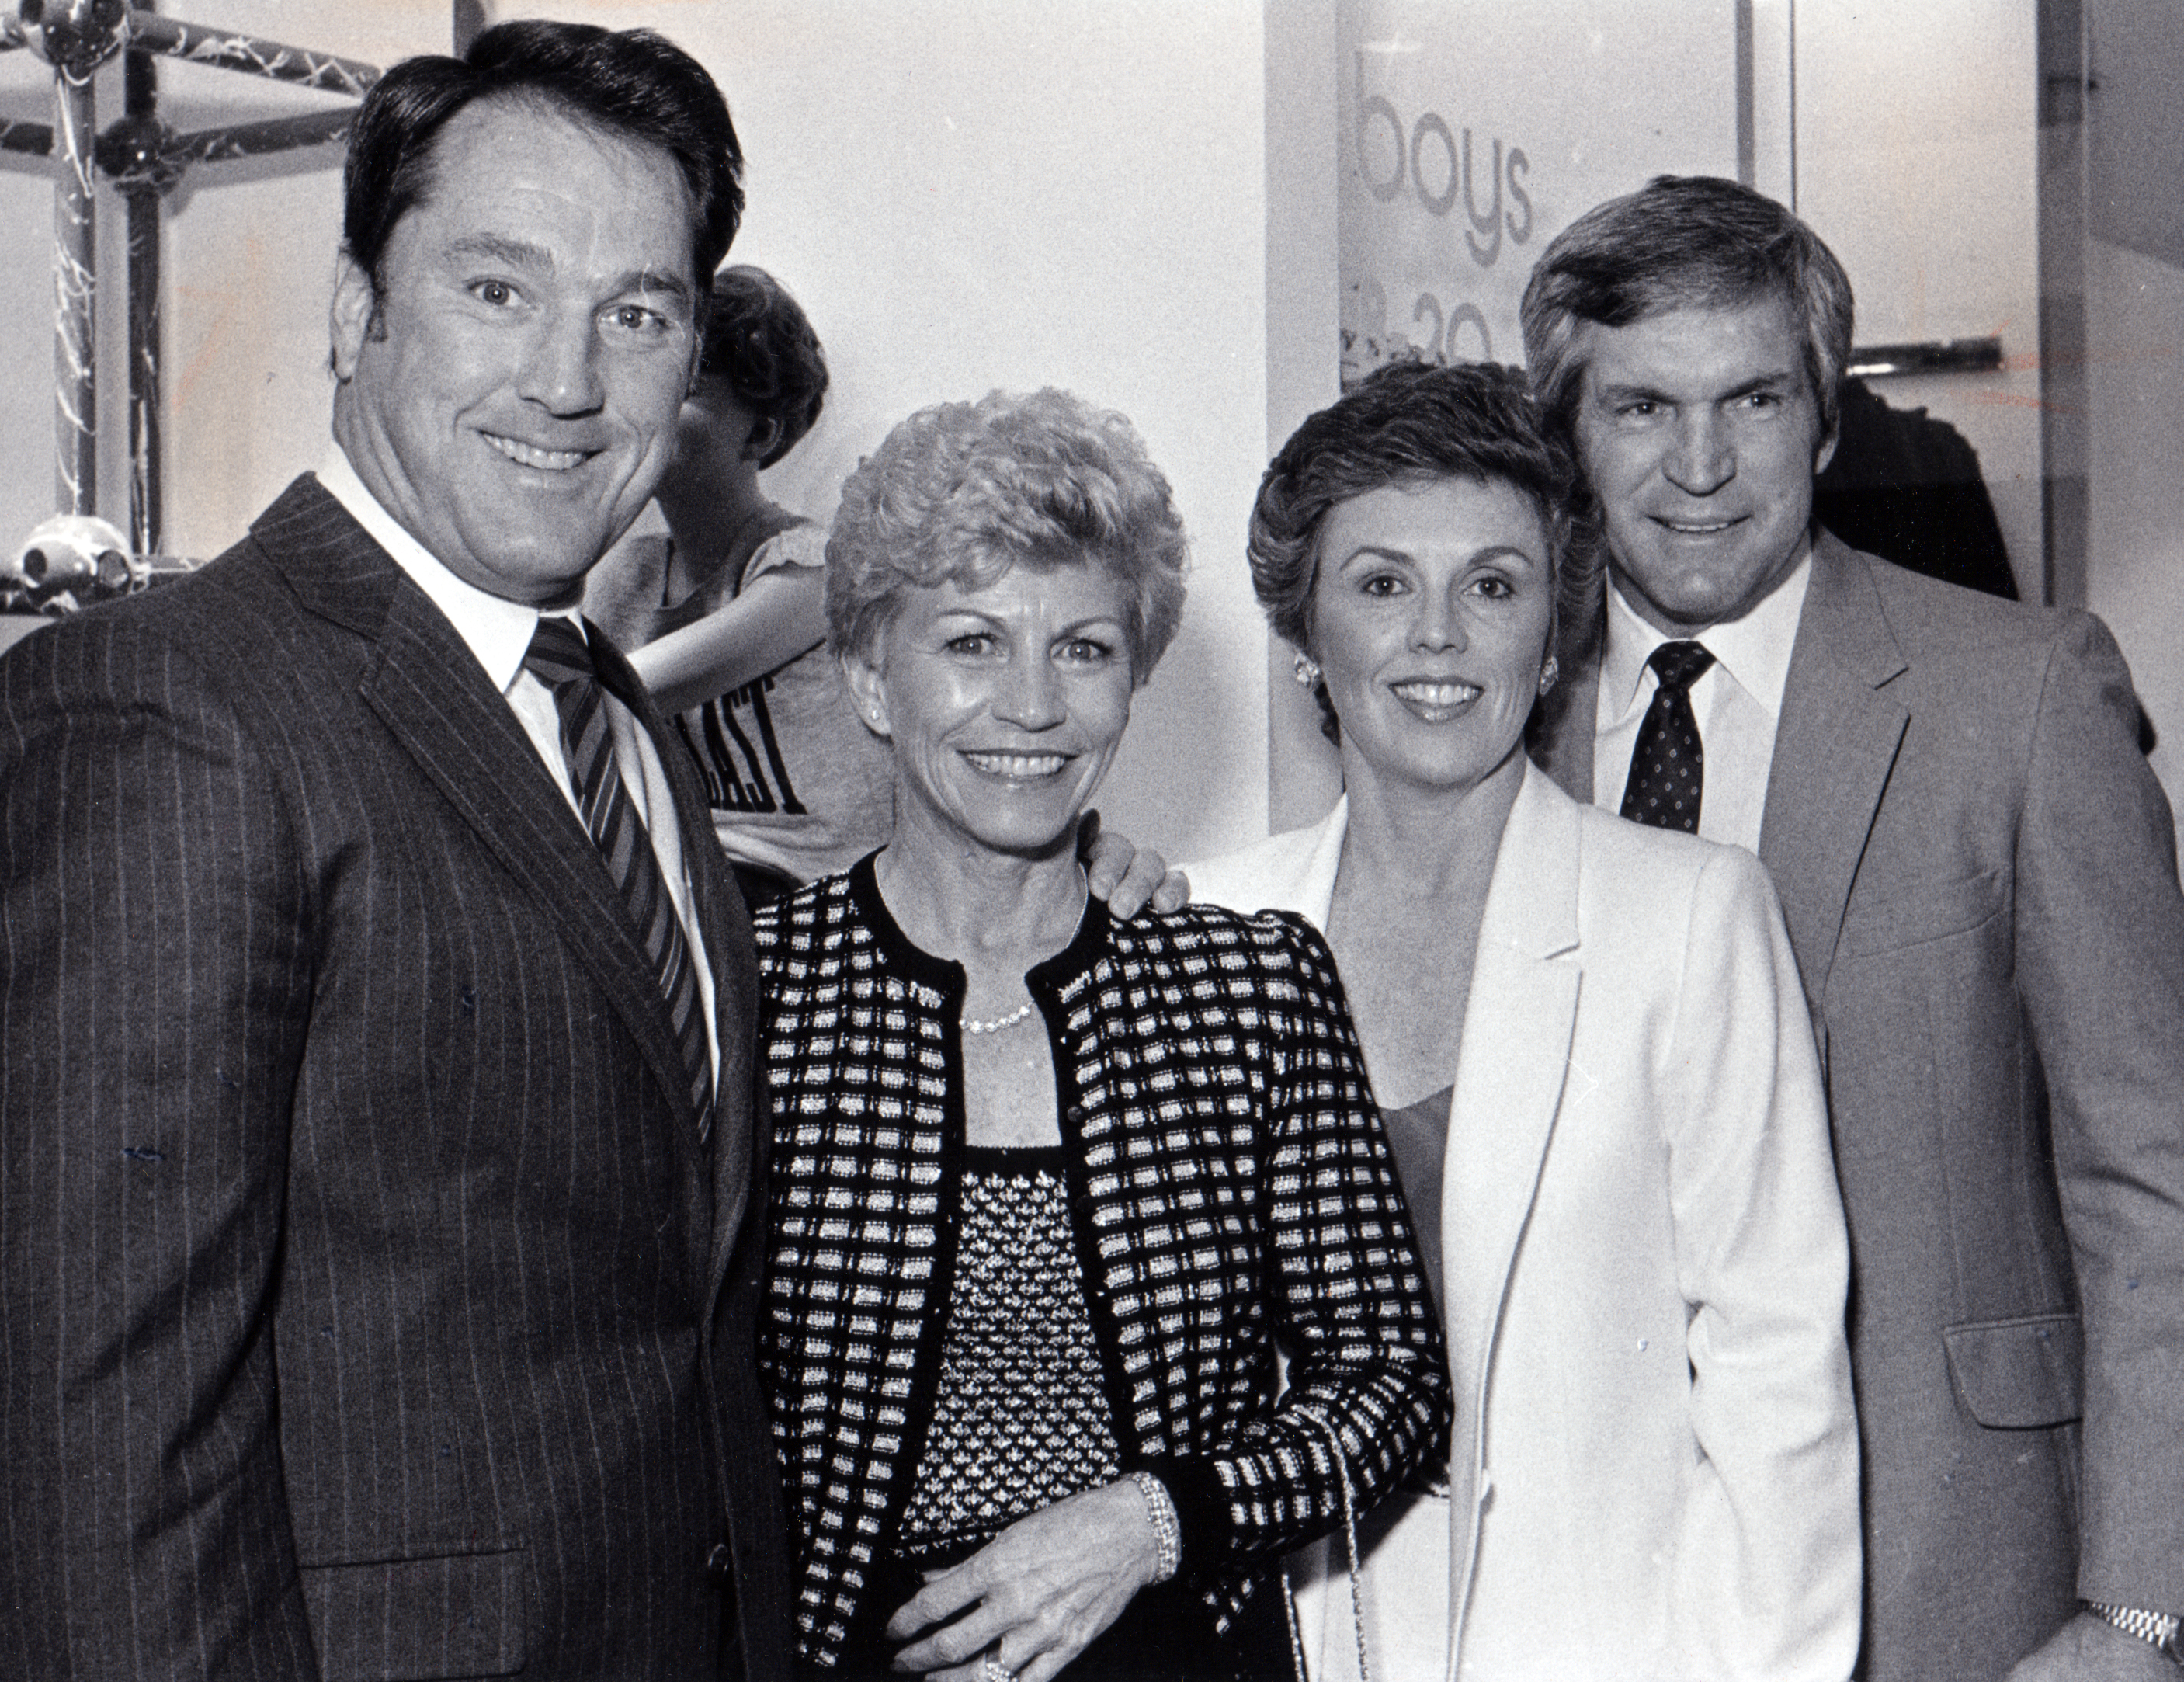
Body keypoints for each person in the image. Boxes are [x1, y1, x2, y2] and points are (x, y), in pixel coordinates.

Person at [0, 24, 799, 1679]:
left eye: (635, 315)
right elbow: (101, 1462)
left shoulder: (614, 724)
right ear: (358, 313)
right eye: (496, 291)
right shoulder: (167, 706)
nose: (569, 381)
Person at [1521, 175, 2184, 1682]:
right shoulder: (1494, 714)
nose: (1697, 466)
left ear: (1821, 421)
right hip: (1581, 1578)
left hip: (1949, 1576)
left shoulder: (2013, 697)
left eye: (1749, 401)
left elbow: (2152, 1178)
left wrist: (2139, 1611)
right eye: (1636, 409)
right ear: (1566, 436)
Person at [753, 388, 1450, 1681]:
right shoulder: (755, 996)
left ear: (1132, 677)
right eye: (970, 643)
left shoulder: (1245, 989)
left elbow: (1390, 1384)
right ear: (866, 676)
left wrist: (1145, 1523)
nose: (1031, 706)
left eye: (1081, 649)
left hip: (1179, 1651)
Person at [1186, 361, 1859, 1680]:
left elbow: (1775, 1378)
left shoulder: (1691, 916)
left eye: (1490, 586)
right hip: (1282, 1639)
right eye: (1380, 584)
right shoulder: (1198, 925)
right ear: (1306, 632)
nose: (1437, 634)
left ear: (1552, 633)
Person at [585, 265, 893, 906]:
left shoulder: (808, 568)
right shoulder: (625, 575)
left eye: (686, 389)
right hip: (694, 881)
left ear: (759, 434)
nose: (646, 407)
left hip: (818, 892)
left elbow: (613, 689)